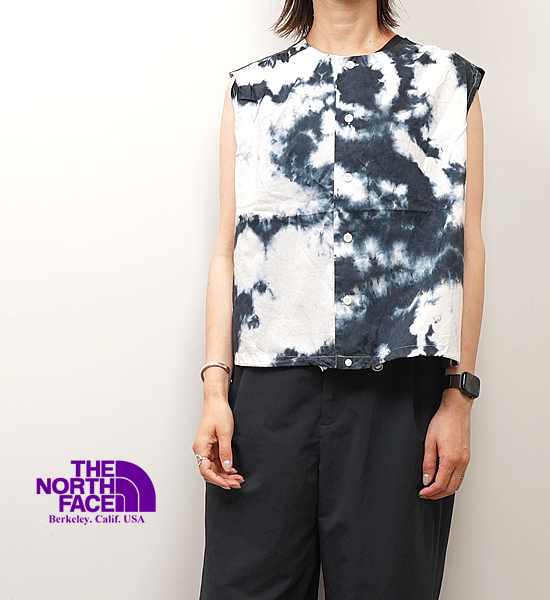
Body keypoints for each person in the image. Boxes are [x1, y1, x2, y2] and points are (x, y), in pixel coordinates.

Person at [193, 0, 485, 598]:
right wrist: (215, 391)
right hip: (269, 394)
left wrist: (458, 398)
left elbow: (467, 248)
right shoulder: (252, 90)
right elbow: (227, 250)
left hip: (397, 392)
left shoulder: (446, 82)